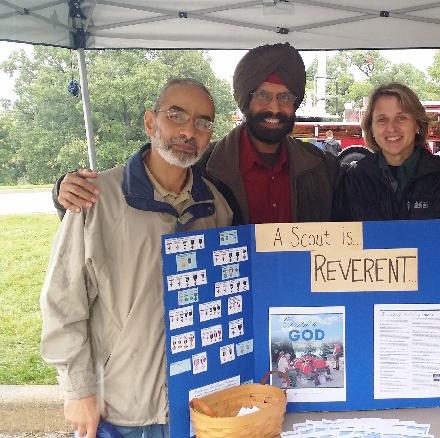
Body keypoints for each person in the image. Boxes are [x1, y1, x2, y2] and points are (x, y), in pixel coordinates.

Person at [40, 78, 234, 438]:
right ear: (150, 122)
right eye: (177, 115)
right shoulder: (95, 199)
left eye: (203, 122)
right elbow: (62, 302)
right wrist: (78, 389)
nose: (189, 130)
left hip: (198, 407)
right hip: (123, 407)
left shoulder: (215, 209)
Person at [54, 43, 342, 225]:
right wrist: (64, 191)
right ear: (245, 100)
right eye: (263, 95)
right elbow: (141, 183)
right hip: (226, 310)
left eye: (286, 98)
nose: (274, 108)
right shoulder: (200, 166)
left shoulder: (323, 168)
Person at [332, 82, 440, 221]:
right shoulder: (354, 179)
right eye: (382, 120)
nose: (392, 128)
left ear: (418, 124)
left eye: (401, 118)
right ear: (371, 129)